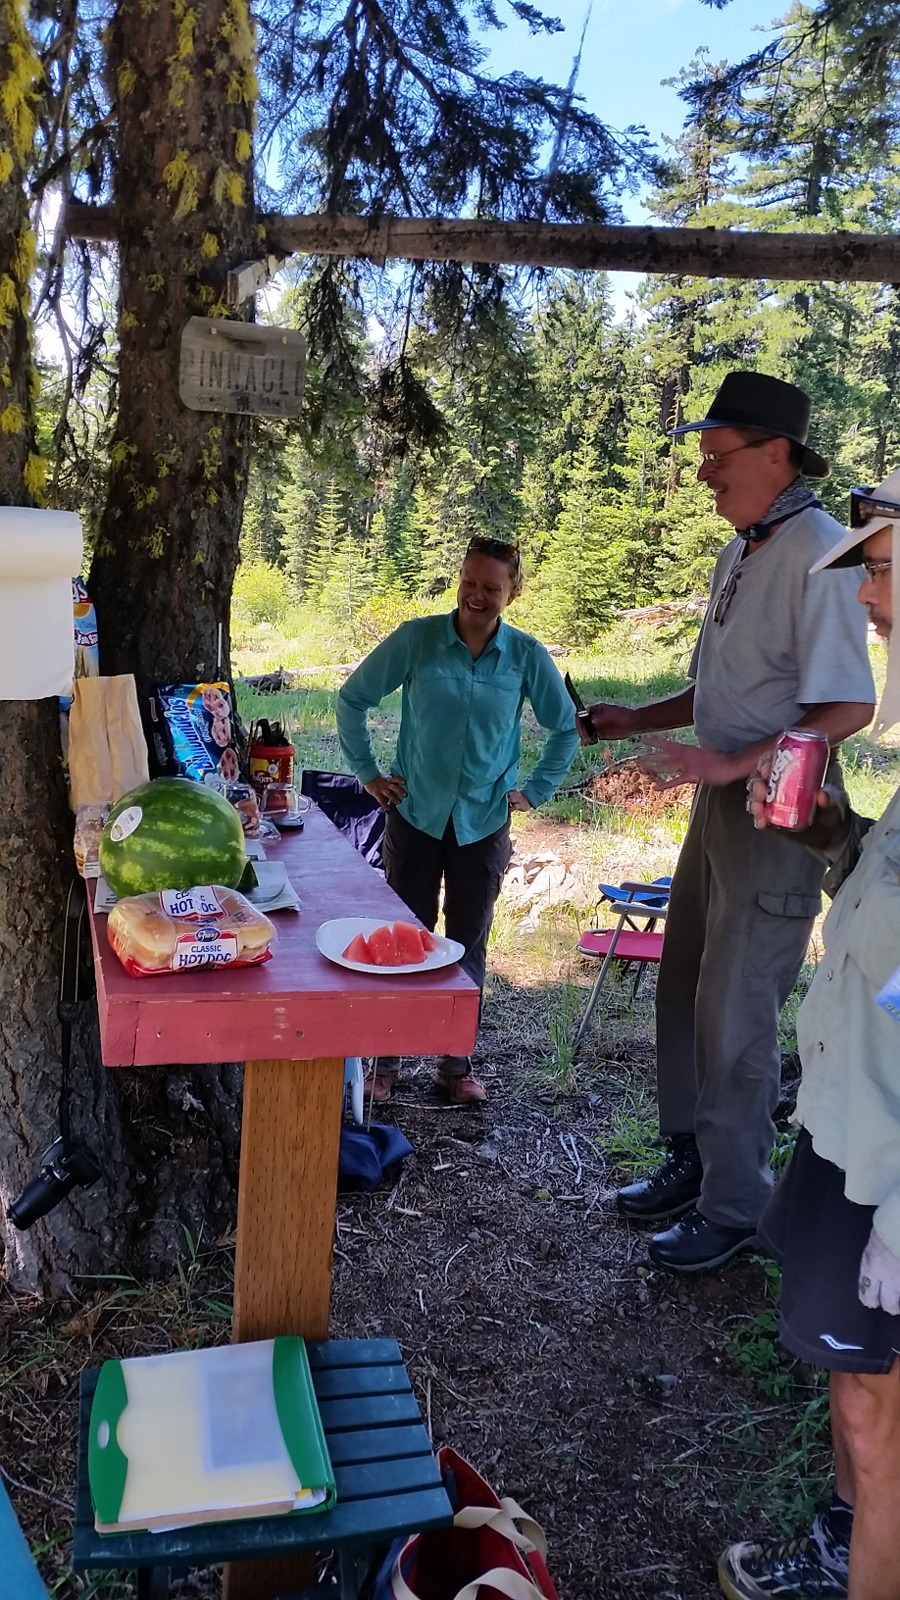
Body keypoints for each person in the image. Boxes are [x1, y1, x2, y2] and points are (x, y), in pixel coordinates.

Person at [578, 372, 876, 1273]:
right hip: (722, 800)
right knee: (687, 984)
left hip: (782, 812)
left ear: (777, 455)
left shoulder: (824, 555)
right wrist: (636, 720)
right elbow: (714, 687)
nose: (704, 473)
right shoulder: (741, 549)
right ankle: (693, 1156)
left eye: (718, 455)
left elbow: (847, 707)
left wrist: (730, 763)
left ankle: (736, 1205)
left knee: (738, 1007)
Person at [719, 471, 900, 1600]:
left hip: (894, 1161)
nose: (867, 600)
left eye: (879, 571)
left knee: (883, 1423)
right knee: (856, 1395)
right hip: (850, 1117)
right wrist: (838, 836)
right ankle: (841, 1542)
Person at [336, 535, 579, 1104]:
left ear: (512, 593)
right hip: (415, 815)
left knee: (467, 941)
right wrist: (369, 774)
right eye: (469, 582)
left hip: (483, 822)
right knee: (403, 939)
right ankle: (385, 1063)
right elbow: (351, 699)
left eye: (490, 587)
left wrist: (535, 791)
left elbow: (566, 726)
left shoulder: (526, 655)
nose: (476, 595)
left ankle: (454, 1065)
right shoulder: (417, 639)